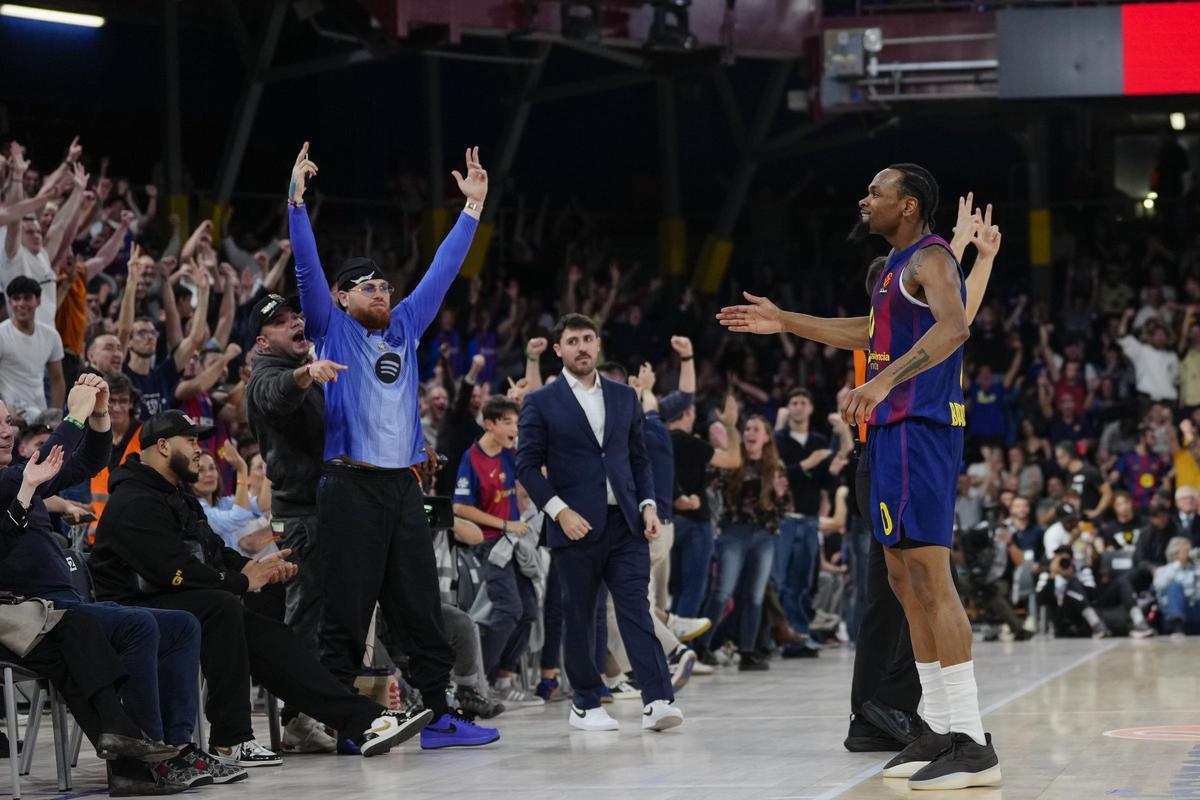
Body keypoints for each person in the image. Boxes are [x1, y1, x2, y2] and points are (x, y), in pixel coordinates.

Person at [718, 167, 1001, 789]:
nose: (863, 199)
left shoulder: (930, 259)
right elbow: (868, 333)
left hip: (921, 429)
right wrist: (786, 321)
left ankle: (972, 738)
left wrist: (881, 381)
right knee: (902, 578)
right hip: (896, 435)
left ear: (907, 205)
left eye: (876, 192)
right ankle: (937, 726)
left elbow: (956, 328)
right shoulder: (895, 268)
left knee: (930, 575)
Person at [286, 142, 498, 749]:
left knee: (420, 608)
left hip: (401, 487)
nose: (379, 291)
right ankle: (344, 722)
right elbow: (304, 266)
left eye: (383, 284)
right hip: (348, 484)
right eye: (364, 286)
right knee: (347, 613)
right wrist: (296, 202)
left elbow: (442, 270)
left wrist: (472, 210)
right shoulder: (329, 329)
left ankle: (437, 716)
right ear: (341, 295)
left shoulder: (405, 325)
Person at [88, 410, 433, 767]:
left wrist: (257, 570)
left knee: (263, 606)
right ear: (162, 446)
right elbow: (170, 571)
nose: (198, 450)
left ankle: (359, 721)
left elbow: (212, 552)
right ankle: (231, 738)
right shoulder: (134, 500)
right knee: (222, 607)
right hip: (132, 610)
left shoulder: (177, 494)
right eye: (190, 441)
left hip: (175, 597)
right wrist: (239, 581)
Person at [516, 312, 683, 733]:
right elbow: (527, 467)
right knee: (580, 615)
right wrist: (559, 511)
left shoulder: (625, 397)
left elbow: (638, 460)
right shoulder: (542, 401)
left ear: (598, 344)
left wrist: (647, 504)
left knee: (636, 611)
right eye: (572, 341)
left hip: (626, 524)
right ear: (558, 350)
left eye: (588, 339)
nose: (582, 347)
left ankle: (658, 699)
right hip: (575, 526)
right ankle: (586, 703)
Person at [452, 395, 543, 707]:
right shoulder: (472, 459)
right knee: (508, 611)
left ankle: (505, 679)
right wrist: (504, 524)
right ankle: (481, 682)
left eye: (516, 422)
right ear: (489, 424)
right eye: (507, 422)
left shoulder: (510, 452)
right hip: (490, 545)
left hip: (514, 543)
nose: (514, 429)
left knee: (529, 611)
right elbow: (460, 506)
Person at [0, 275, 65, 424]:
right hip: (8, 416)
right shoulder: (1, 334)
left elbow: (57, 379)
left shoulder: (51, 336)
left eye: (27, 298)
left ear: (38, 301)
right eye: (16, 298)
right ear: (10, 302)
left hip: (40, 415)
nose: (21, 303)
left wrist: (56, 416)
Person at [1153, 536, 1200, 637]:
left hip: (1194, 610)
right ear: (1175, 553)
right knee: (1175, 587)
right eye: (1185, 551)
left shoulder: (1195, 569)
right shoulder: (1163, 570)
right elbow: (1159, 586)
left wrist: (1198, 564)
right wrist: (1178, 564)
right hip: (1173, 614)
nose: (1189, 553)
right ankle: (1177, 627)